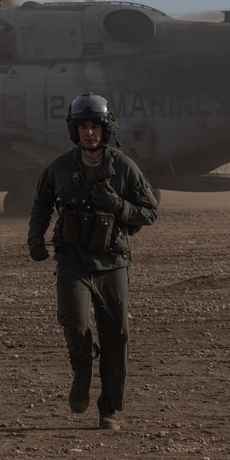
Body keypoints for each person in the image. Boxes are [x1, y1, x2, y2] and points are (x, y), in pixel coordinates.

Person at [27, 92, 158, 431]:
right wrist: (35, 238)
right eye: (82, 126)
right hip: (72, 261)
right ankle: (82, 369)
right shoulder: (58, 167)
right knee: (74, 325)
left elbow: (150, 213)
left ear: (106, 128)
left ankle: (110, 410)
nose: (89, 133)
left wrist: (118, 206)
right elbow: (41, 205)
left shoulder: (124, 168)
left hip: (112, 263)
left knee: (116, 338)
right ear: (74, 130)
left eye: (94, 126)